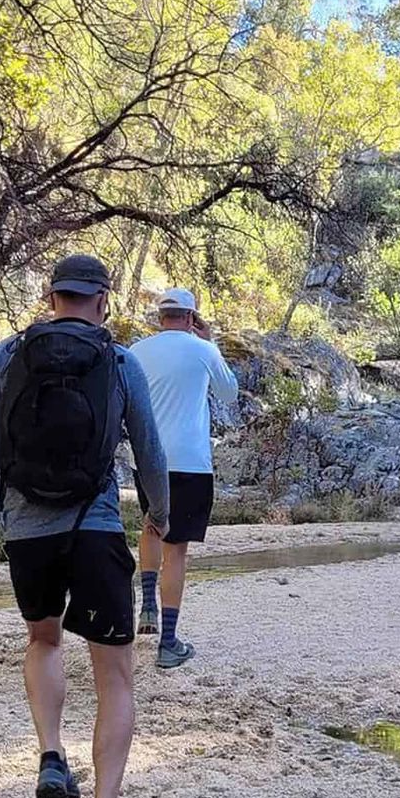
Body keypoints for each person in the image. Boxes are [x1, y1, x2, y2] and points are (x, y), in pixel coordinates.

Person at [0, 253, 170, 798]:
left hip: (28, 533)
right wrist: (159, 513)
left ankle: (52, 754)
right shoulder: (119, 359)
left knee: (44, 641)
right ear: (102, 298)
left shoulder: (6, 357)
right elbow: (150, 450)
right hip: (96, 527)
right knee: (116, 676)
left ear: (51, 296)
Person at [130, 287, 238, 669]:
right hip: (191, 460)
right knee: (176, 550)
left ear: (161, 317)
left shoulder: (138, 351)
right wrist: (212, 343)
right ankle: (169, 642)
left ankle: (146, 606)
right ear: (193, 318)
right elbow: (229, 394)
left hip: (148, 459)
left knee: (151, 527)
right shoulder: (204, 350)